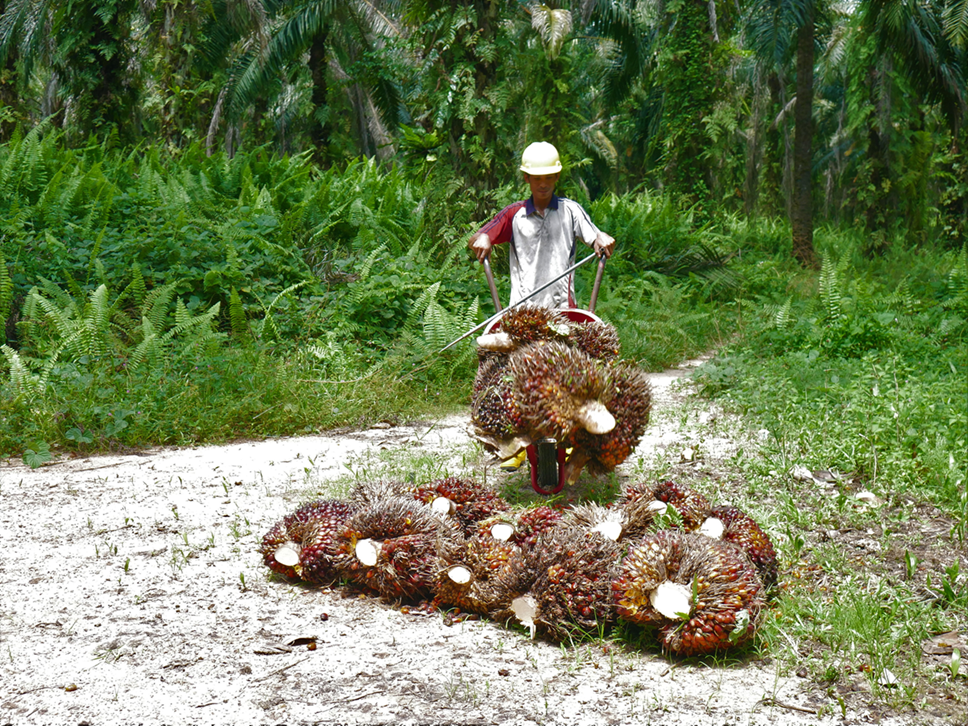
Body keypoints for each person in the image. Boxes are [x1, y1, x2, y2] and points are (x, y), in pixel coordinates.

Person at [468, 141, 615, 309]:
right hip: (522, 316)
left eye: (548, 177)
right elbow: (475, 239)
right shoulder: (514, 215)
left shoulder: (571, 211)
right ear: (526, 178)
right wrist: (483, 238)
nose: (543, 184)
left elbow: (597, 239)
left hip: (564, 311)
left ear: (557, 176)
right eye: (537, 178)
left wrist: (602, 238)